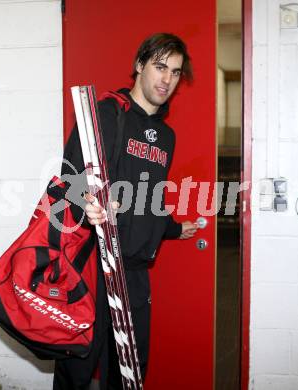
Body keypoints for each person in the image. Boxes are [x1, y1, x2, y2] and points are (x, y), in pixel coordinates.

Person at [53, 32, 198, 390]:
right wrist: (88, 206)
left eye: (176, 72)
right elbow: (69, 181)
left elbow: (152, 198)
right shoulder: (105, 112)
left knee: (130, 370)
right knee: (77, 369)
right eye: (160, 66)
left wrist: (175, 229)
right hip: (93, 265)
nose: (167, 79)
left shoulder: (166, 137)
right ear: (139, 65)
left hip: (132, 272)